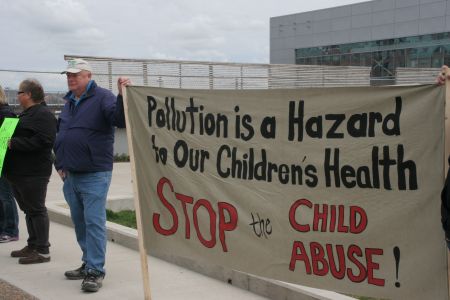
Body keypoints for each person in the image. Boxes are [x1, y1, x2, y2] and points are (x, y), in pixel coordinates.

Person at [55, 58, 131, 292]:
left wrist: (121, 95)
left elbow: (119, 120)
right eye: (68, 75)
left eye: (75, 74)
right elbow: (62, 134)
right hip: (71, 174)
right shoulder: (68, 102)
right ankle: (88, 262)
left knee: (94, 223)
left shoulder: (103, 97)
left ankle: (96, 271)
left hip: (95, 173)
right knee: (79, 223)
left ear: (88, 76)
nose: (71, 78)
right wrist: (60, 163)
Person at [4, 79, 57, 263]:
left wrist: (13, 143)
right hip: (19, 173)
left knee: (37, 209)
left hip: (34, 173)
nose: (17, 96)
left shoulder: (43, 115)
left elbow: (45, 141)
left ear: (27, 95)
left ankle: (43, 250)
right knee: (28, 210)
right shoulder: (26, 114)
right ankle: (33, 244)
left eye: (19, 93)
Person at [0, 85, 19, 243]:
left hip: (5, 163)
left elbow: (6, 142)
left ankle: (11, 230)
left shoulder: (7, 113)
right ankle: (2, 229)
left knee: (6, 197)